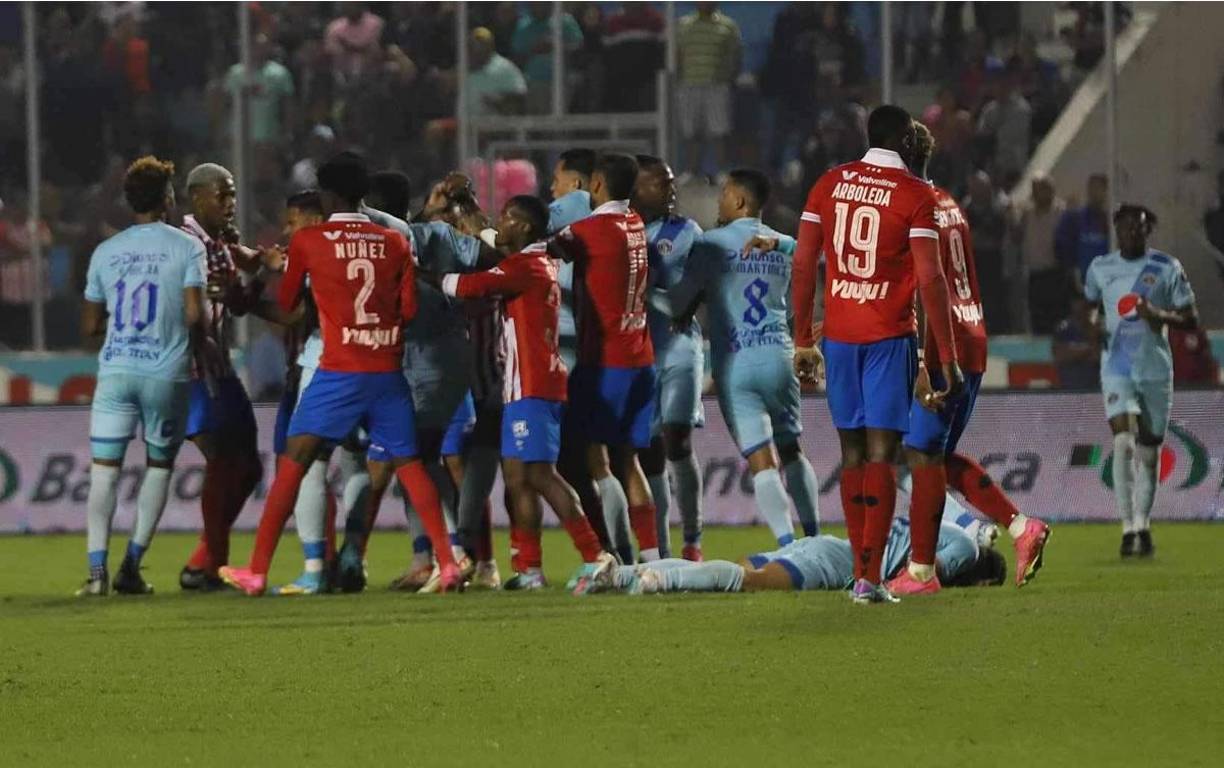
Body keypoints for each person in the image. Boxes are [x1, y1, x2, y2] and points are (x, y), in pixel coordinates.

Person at [218, 151, 459, 596]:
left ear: (327, 196)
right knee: (412, 468)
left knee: (294, 464)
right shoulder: (394, 242)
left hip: (338, 373)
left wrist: (276, 277)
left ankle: (256, 571)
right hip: (388, 374)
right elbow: (407, 310)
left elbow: (289, 304)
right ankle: (446, 564)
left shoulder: (311, 242)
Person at [791, 104, 962, 604]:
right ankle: (868, 579)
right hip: (889, 336)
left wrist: (803, 337)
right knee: (884, 454)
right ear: (908, 140)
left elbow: (804, 264)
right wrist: (941, 356)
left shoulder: (829, 183)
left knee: (851, 454)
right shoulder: (915, 194)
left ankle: (860, 573)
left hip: (840, 336)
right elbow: (930, 278)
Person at [888, 122, 1050, 596]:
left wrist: (923, 359)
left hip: (942, 346)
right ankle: (1021, 529)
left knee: (919, 456)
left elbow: (927, 285)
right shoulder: (948, 203)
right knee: (930, 456)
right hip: (972, 335)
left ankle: (921, 572)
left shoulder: (912, 207)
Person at [438, 195, 617, 591]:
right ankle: (530, 569)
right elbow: (490, 243)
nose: (500, 224)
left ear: (523, 227)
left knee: (539, 473)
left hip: (534, 386)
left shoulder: (525, 267)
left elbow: (469, 285)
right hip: (522, 386)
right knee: (517, 479)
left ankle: (596, 555)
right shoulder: (533, 262)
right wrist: (470, 213)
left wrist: (421, 272)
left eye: (506, 218)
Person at [663, 170, 821, 549]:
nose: (718, 201)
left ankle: (787, 545)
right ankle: (815, 538)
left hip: (737, 362)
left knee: (761, 459)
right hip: (781, 356)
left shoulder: (712, 243)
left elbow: (681, 302)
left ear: (738, 200)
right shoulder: (784, 244)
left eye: (723, 195)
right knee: (792, 449)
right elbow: (812, 264)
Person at [77, 156, 206, 596]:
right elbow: (194, 313)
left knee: (104, 472)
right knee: (158, 467)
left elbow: (90, 325)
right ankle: (131, 566)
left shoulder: (106, 251)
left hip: (116, 370)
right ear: (168, 198)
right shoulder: (188, 247)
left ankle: (96, 574)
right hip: (165, 373)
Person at [548, 153, 661, 563]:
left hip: (607, 362)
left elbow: (543, 251)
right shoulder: (636, 226)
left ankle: (621, 555)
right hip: (641, 359)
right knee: (628, 461)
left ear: (595, 185)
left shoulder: (590, 231)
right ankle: (652, 561)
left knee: (597, 461)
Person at [1084, 205, 1198, 557]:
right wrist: (1092, 326)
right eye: (1127, 227)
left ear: (1149, 231)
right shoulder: (1100, 268)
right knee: (1123, 443)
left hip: (1155, 371)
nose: (1133, 233)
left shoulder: (1166, 267)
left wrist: (1158, 315)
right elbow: (1091, 306)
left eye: (1140, 228)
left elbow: (1191, 318)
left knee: (1149, 454)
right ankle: (1127, 528)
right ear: (1117, 230)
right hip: (1116, 367)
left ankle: (1143, 525)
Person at [177, 163, 265, 592]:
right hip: (193, 367)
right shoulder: (184, 241)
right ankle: (212, 564)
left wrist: (261, 270)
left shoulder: (218, 243)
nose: (231, 205)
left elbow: (240, 302)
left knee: (247, 468)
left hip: (220, 365)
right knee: (224, 459)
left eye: (232, 195)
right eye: (222, 196)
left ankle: (203, 558)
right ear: (197, 198)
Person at [598, 520, 1006, 595]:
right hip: (840, 564)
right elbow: (924, 577)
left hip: (827, 544)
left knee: (732, 568)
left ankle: (623, 572)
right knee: (750, 581)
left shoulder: (947, 529)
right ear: (985, 578)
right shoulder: (966, 550)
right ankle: (657, 582)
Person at [631, 156, 706, 560]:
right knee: (648, 449)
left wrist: (653, 298)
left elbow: (688, 297)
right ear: (635, 188)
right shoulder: (620, 231)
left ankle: (692, 541)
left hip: (679, 347)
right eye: (659, 183)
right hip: (637, 352)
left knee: (676, 439)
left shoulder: (686, 232)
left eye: (671, 182)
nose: (670, 189)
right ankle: (657, 549)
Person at [676, 3, 741, 177]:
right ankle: (691, 171)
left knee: (719, 131)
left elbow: (735, 55)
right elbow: (677, 55)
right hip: (689, 84)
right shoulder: (683, 25)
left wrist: (726, 77)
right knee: (691, 131)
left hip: (717, 86)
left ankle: (721, 172)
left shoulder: (728, 26)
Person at [1015, 174, 1067, 333]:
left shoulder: (1061, 212)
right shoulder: (1027, 214)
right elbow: (1017, 237)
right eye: (1035, 190)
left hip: (1054, 272)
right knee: (1037, 318)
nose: (1037, 194)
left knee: (1056, 318)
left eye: (1041, 189)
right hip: (1034, 274)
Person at [1055, 173, 1109, 283]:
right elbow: (1062, 245)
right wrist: (1071, 269)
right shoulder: (1074, 218)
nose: (1095, 193)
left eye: (1099, 188)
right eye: (1092, 188)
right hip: (1081, 279)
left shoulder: (1110, 220)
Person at [1052, 296, 1101, 389]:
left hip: (1094, 389)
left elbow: (1097, 357)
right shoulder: (1064, 328)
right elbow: (1060, 356)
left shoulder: (1098, 328)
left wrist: (1093, 336)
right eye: (1077, 300)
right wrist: (1089, 349)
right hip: (1070, 387)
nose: (1079, 304)